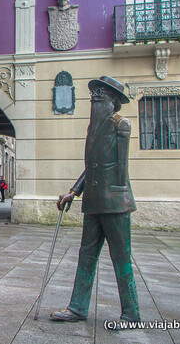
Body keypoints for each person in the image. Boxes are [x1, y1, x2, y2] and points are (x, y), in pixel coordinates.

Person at [50, 76, 140, 329]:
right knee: (86, 255)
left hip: (115, 205)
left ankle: (131, 314)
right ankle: (77, 307)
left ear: (113, 100)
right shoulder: (93, 127)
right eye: (94, 94)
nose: (95, 97)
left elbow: (122, 170)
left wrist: (118, 198)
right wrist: (74, 192)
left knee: (121, 258)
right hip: (93, 203)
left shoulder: (120, 125)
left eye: (100, 94)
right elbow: (92, 167)